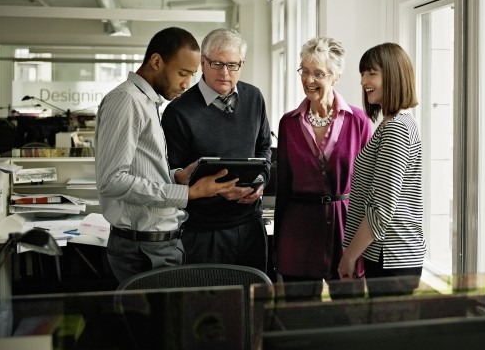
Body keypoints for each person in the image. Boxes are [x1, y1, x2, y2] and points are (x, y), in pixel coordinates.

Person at [95, 26, 241, 284]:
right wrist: (188, 193)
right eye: (182, 73)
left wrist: (177, 177)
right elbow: (112, 181)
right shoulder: (126, 101)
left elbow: (142, 170)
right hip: (144, 250)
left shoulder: (147, 102)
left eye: (192, 75)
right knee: (158, 325)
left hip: (157, 246)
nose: (186, 84)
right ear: (156, 61)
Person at [161, 28, 272, 271]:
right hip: (204, 233)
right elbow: (171, 172)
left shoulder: (254, 97)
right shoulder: (178, 112)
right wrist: (220, 190)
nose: (225, 73)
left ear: (242, 64)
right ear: (202, 63)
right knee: (208, 306)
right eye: (217, 64)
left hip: (251, 226)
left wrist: (262, 179)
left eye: (233, 65)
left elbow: (264, 147)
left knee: (253, 303)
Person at [274, 36, 372, 299]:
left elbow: (369, 187)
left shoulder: (358, 121)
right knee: (300, 319)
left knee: (348, 316)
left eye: (318, 73)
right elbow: (283, 185)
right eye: (304, 71)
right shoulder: (288, 124)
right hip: (298, 235)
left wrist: (365, 246)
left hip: (345, 231)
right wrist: (278, 248)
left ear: (335, 76)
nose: (309, 80)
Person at [338, 42, 426, 297]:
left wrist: (349, 256)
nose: (364, 80)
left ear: (393, 75)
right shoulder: (393, 123)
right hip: (389, 255)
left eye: (371, 73)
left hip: (394, 257)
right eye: (362, 74)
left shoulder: (396, 128)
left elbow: (381, 208)